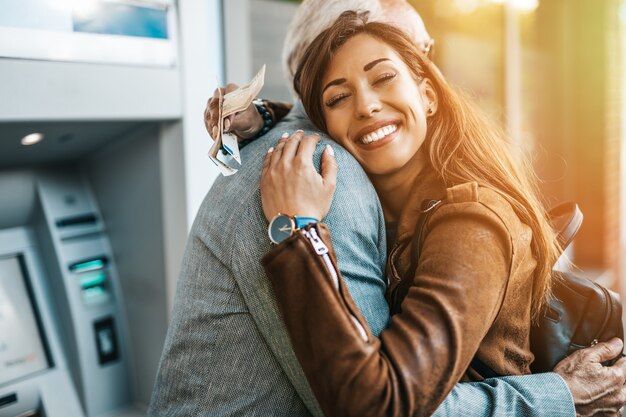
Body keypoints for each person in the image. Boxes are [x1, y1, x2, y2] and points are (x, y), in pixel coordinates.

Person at [149, 1, 626, 416]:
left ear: (429, 92)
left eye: (389, 74)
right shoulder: (326, 171)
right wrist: (265, 115)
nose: (368, 106)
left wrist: (299, 232)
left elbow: (381, 403)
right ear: (320, 117)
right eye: (338, 97)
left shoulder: (468, 219)